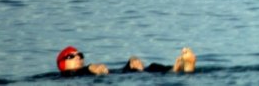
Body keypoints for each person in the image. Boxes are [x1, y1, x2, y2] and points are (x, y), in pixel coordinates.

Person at [56, 45, 196, 77]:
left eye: (80, 54)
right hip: (124, 77)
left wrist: (131, 61)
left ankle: (179, 69)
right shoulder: (65, 77)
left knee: (152, 66)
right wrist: (92, 68)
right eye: (70, 56)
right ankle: (181, 70)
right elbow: (86, 70)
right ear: (62, 64)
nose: (78, 57)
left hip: (123, 74)